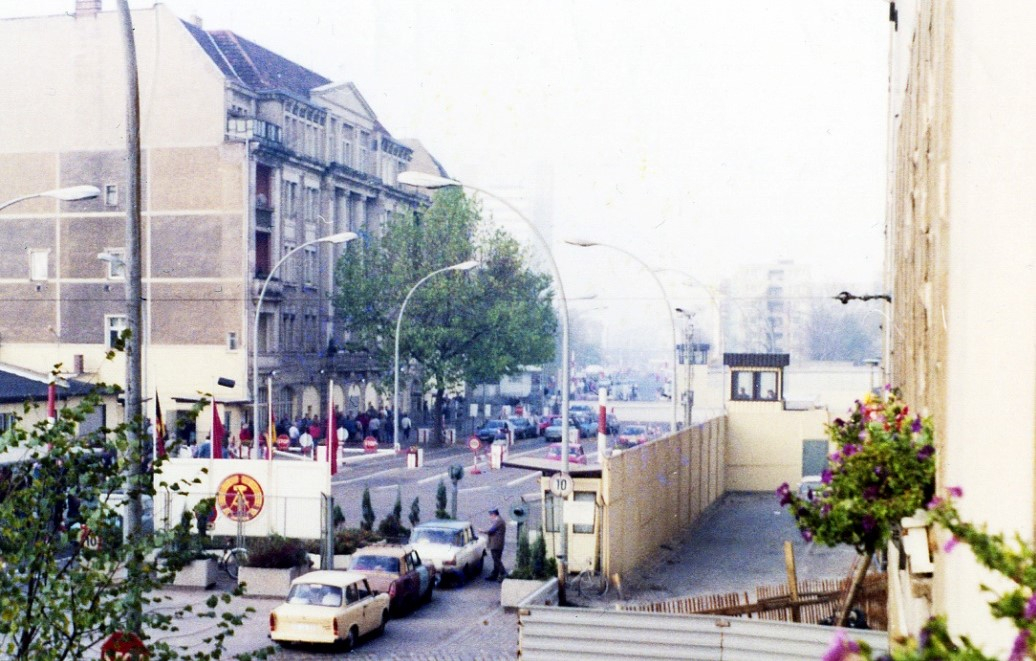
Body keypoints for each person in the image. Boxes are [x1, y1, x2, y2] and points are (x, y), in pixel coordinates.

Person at [480, 508, 507, 581]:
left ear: (494, 514)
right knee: (496, 560)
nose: (490, 517)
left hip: (496, 544)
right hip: (498, 544)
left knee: (496, 560)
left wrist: (482, 531)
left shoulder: (498, 521)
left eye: (491, 515)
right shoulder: (499, 520)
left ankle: (503, 573)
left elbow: (491, 531)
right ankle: (494, 575)